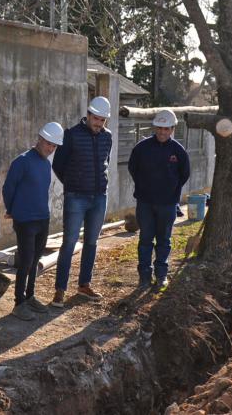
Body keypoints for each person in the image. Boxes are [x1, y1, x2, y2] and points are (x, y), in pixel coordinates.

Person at [50, 96, 113, 308]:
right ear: (88, 115)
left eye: (102, 120)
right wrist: (72, 184)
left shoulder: (108, 137)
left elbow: (106, 162)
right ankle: (60, 289)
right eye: (96, 119)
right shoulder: (71, 135)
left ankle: (84, 285)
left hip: (99, 197)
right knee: (69, 242)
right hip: (76, 197)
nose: (98, 124)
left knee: (92, 242)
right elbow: (58, 165)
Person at [2, 122, 64, 321]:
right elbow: (8, 188)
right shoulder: (22, 162)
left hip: (42, 218)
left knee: (35, 259)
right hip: (25, 220)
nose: (51, 148)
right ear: (40, 138)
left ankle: (30, 297)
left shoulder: (46, 164)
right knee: (26, 260)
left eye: (54, 146)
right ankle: (18, 303)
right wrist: (12, 210)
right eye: (48, 143)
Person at [128, 109, 190, 289]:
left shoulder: (178, 151)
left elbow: (184, 174)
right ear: (155, 127)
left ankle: (161, 275)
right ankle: (144, 277)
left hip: (168, 204)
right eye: (160, 128)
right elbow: (133, 168)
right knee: (146, 240)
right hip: (145, 202)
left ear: (172, 129)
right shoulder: (142, 148)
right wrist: (144, 186)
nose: (162, 132)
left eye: (167, 129)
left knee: (164, 240)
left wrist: (170, 191)